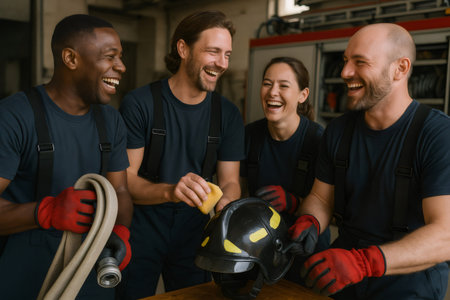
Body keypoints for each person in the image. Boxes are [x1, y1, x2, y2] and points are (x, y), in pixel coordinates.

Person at [288, 23, 450, 299]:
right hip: (343, 273)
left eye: (360, 62)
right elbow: (322, 197)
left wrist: (366, 262)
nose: (345, 73)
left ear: (400, 69)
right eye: (345, 61)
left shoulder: (437, 135)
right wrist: (310, 220)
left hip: (407, 279)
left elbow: (445, 235)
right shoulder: (339, 130)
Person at [0, 14, 133, 299]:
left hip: (91, 274)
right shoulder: (14, 116)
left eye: (120, 57)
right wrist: (45, 212)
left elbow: (119, 189)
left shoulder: (111, 121)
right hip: (25, 277)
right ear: (71, 59)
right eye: (110, 57)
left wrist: (120, 230)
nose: (121, 67)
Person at [117, 10, 245, 299]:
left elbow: (230, 181)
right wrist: (171, 191)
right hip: (142, 227)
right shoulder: (139, 104)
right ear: (183, 48)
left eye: (227, 54)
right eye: (213, 52)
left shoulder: (228, 114)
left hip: (195, 231)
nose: (221, 63)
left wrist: (226, 205)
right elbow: (125, 180)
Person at [240, 56, 329, 284]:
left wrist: (294, 202)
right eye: (267, 83)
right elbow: (239, 192)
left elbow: (334, 208)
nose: (272, 92)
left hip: (304, 252)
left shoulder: (319, 141)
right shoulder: (250, 136)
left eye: (283, 85)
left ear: (303, 95)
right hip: (258, 252)